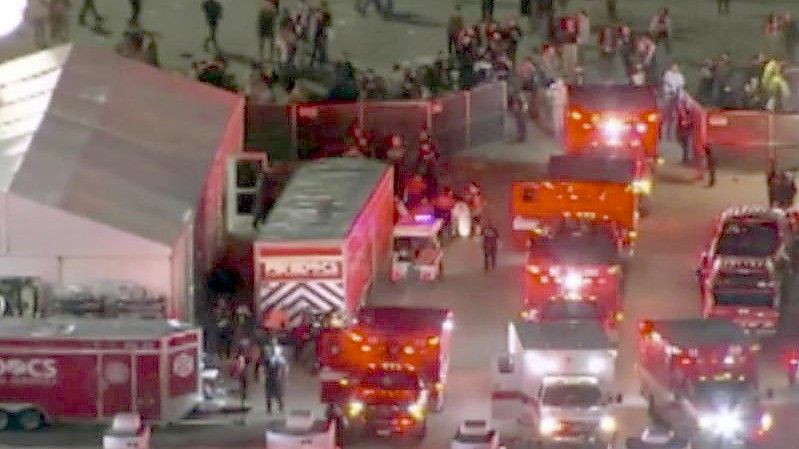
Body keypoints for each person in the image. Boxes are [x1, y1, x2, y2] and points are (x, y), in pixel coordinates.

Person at [661, 63, 685, 140]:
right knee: (666, 116)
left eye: (676, 67)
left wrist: (679, 96)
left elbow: (680, 86)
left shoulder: (680, 76)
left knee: (674, 118)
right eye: (673, 67)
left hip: (676, 97)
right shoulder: (668, 74)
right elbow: (666, 83)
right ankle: (663, 134)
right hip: (668, 96)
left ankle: (671, 135)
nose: (675, 68)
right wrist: (670, 90)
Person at [263, 344, 288, 414]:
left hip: (276, 379)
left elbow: (284, 370)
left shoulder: (281, 360)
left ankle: (279, 407)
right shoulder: (268, 359)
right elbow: (265, 368)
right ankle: (270, 408)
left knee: (277, 394)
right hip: (271, 378)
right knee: (270, 394)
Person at [310, 2, 332, 67]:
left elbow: (327, 24)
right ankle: (315, 60)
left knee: (320, 48)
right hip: (319, 33)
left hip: (321, 33)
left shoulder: (326, 14)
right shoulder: (324, 13)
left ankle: (318, 60)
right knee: (317, 48)